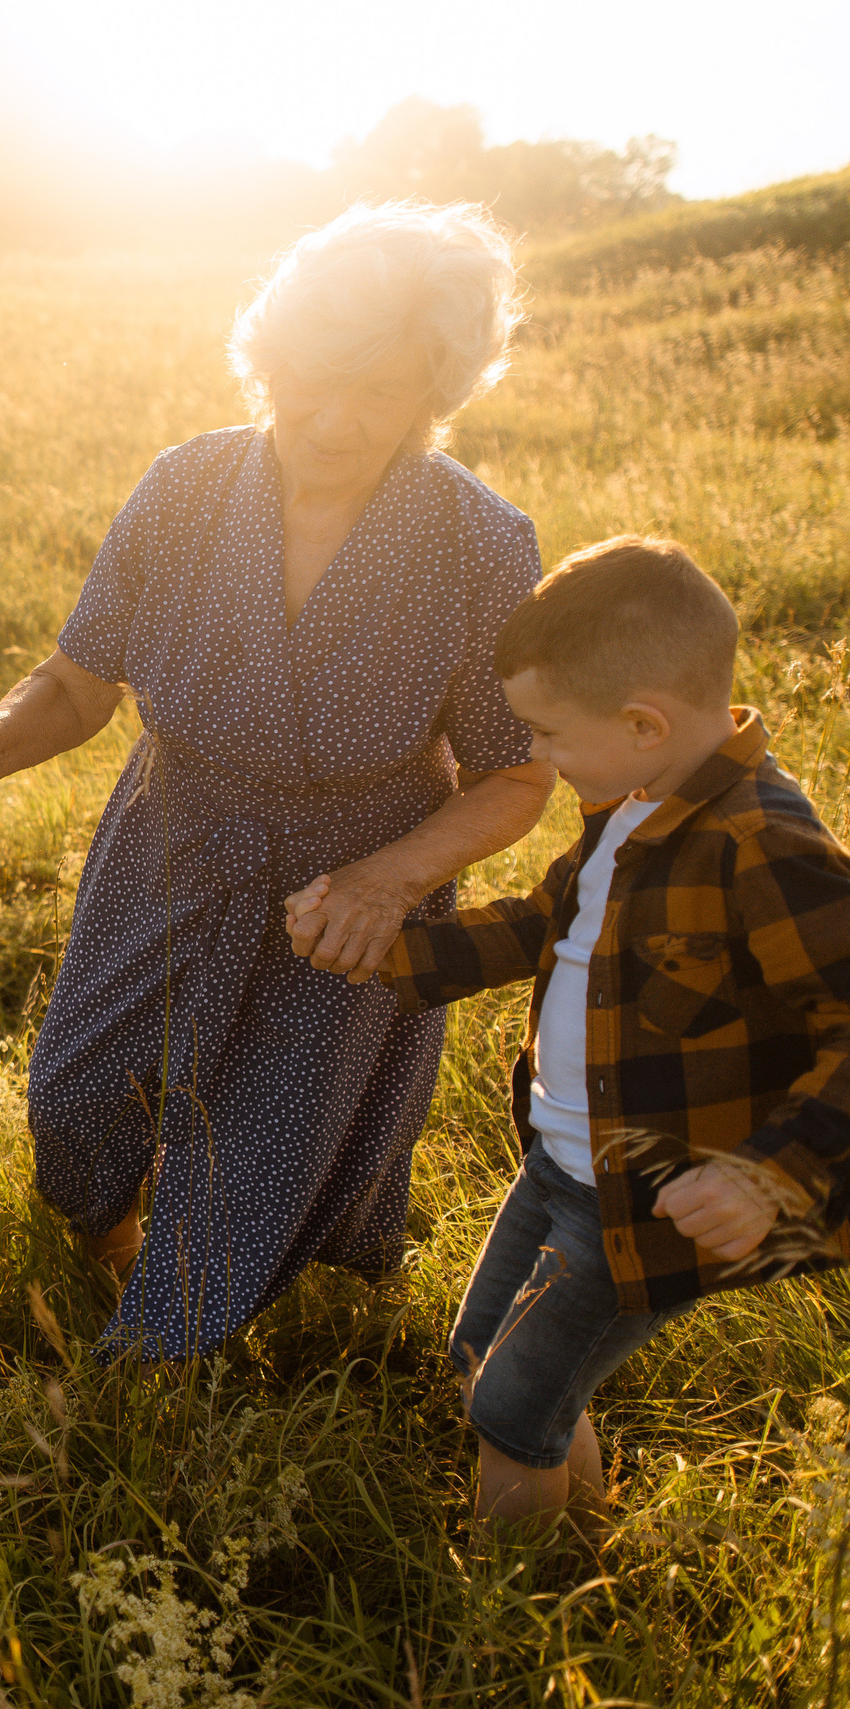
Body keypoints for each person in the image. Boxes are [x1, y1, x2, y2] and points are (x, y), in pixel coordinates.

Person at [0, 201, 555, 1357]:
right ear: (271, 355)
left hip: (350, 884)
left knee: (257, 1158)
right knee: (79, 1106)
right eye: (312, 378)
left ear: (433, 393)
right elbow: (80, 680)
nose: (335, 421)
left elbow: (511, 775)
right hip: (173, 838)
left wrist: (388, 880)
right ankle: (123, 1260)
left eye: (379, 393)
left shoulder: (480, 542)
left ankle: (151, 1372)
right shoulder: (186, 487)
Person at [290, 536, 850, 1536]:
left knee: (510, 1404)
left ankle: (507, 1616)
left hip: (651, 1193)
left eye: (546, 733)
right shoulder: (631, 799)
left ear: (642, 722)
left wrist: (769, 1173)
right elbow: (551, 923)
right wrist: (385, 950)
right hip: (560, 1161)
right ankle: (582, 1533)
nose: (535, 756)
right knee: (483, 1357)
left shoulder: (761, 845)